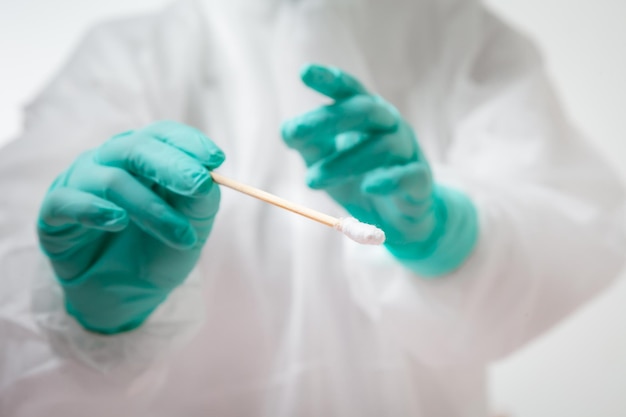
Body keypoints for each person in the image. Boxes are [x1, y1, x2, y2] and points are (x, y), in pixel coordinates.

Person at [0, 0, 624, 415]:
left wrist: (450, 236)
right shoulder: (128, 57)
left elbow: (573, 226)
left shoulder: (462, 37)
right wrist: (87, 314)